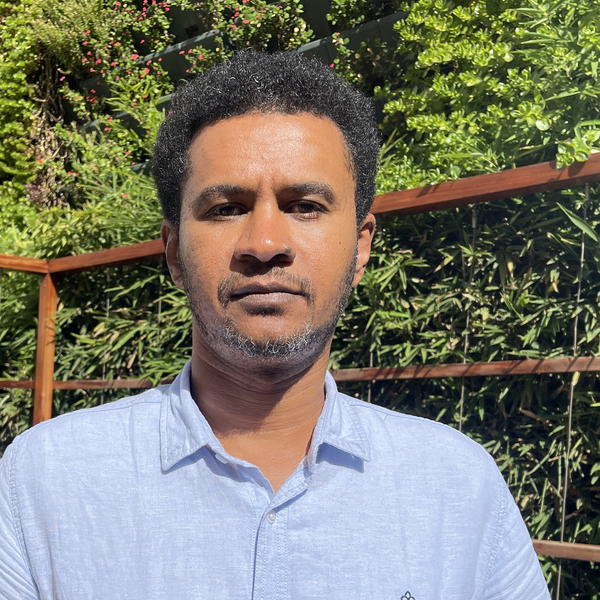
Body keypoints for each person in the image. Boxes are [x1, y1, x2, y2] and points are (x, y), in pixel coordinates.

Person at [0, 50, 549, 599]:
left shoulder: (458, 487)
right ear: (173, 252)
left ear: (361, 247)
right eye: (226, 208)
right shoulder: (43, 484)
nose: (265, 245)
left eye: (305, 205)